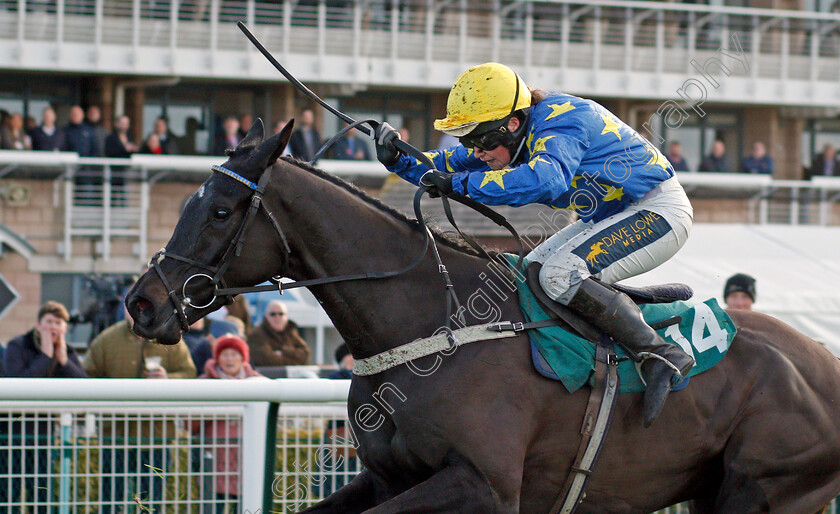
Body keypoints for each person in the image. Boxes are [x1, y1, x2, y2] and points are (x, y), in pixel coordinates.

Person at [373, 62, 694, 426]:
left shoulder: (564, 119)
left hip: (657, 210)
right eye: (468, 140)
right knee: (528, 275)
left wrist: (458, 184)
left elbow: (547, 180)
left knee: (558, 275)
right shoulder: (510, 131)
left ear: (512, 124)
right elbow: (446, 164)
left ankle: (661, 355)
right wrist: (400, 160)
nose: (475, 151)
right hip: (611, 215)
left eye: (480, 140)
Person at [84, 308, 196, 512]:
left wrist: (169, 379)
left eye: (145, 306)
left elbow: (189, 372)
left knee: (152, 501)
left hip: (156, 437)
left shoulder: (170, 337)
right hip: (115, 438)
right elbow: (87, 375)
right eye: (133, 306)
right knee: (110, 499)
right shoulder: (106, 339)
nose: (138, 311)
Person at [3, 301, 86, 512]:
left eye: (58, 323)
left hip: (44, 436)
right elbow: (17, 386)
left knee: (41, 494)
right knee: (8, 493)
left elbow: (85, 386)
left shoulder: (65, 351)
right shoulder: (17, 346)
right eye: (48, 322)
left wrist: (64, 361)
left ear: (65, 328)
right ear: (38, 325)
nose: (53, 327)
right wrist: (46, 357)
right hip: (12, 435)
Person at [192, 335, 264, 513]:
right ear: (217, 358)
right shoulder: (204, 383)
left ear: (243, 358)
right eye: (225, 354)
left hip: (246, 459)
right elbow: (190, 423)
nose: (230, 359)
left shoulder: (258, 383)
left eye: (234, 354)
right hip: (212, 459)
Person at [247, 301, 312, 367]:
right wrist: (293, 358)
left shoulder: (291, 332)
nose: (277, 317)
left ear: (286, 316)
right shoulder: (256, 334)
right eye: (273, 314)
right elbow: (266, 360)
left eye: (281, 314)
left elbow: (306, 355)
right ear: (266, 316)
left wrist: (283, 351)